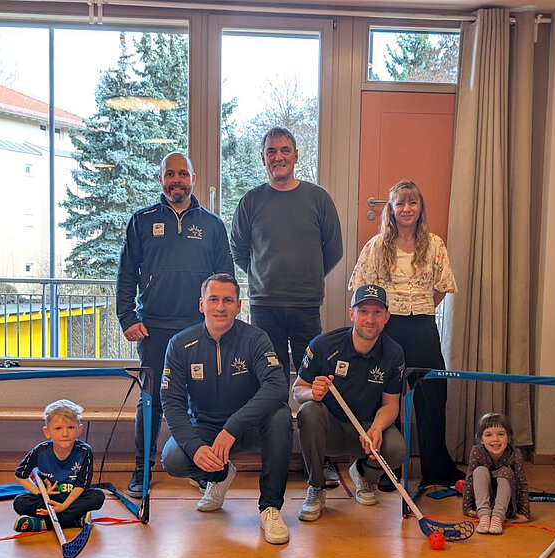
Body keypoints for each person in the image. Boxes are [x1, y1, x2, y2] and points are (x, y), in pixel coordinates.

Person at [230, 126, 343, 486]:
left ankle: (318, 461)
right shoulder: (251, 201)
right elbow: (239, 251)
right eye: (271, 151)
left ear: (296, 156)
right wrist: (265, 276)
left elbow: (334, 249)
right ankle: (274, 457)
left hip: (307, 306)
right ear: (263, 158)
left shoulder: (318, 199)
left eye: (285, 150)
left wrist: (307, 276)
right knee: (271, 383)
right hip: (265, 307)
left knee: (315, 382)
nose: (278, 157)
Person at [117, 152, 233, 498]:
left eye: (183, 174)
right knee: (150, 400)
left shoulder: (212, 224)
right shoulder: (142, 220)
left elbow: (224, 278)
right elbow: (126, 275)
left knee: (199, 402)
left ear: (193, 179)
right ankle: (142, 470)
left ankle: (201, 466)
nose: (176, 180)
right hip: (153, 328)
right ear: (161, 180)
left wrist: (220, 317)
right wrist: (127, 318)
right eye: (170, 174)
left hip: (199, 328)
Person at [160, 273, 293, 545]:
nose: (221, 307)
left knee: (280, 416)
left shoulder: (255, 339)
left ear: (239, 305)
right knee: (173, 458)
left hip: (249, 425)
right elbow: (172, 403)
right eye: (214, 299)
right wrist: (195, 446)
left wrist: (233, 427)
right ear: (201, 304)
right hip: (206, 427)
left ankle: (270, 508)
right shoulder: (180, 344)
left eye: (228, 300)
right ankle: (220, 475)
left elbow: (277, 386)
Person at [349, 179, 462, 491]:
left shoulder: (435, 244)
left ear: (420, 207)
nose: (407, 209)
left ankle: (437, 467)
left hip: (423, 326)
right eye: (400, 203)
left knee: (433, 396)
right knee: (388, 397)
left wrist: (420, 305)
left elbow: (441, 287)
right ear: (391, 209)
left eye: (412, 203)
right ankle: (387, 468)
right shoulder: (376, 246)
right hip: (390, 329)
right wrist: (385, 314)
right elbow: (360, 289)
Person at [293, 284, 406, 522]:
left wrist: (377, 427)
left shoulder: (394, 353)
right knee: (309, 411)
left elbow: (391, 404)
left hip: (364, 430)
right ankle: (316, 487)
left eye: (377, 312)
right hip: (330, 429)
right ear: (351, 313)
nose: (370, 319)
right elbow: (297, 391)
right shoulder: (323, 345)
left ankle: (363, 473)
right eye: (363, 311)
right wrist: (313, 392)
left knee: (396, 449)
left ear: (387, 317)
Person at [12, 400, 106, 531]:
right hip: (48, 499)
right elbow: (20, 474)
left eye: (71, 427)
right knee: (20, 502)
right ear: (47, 432)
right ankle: (74, 519)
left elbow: (81, 485)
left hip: (72, 498)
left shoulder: (85, 451)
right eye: (58, 428)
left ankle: (43, 524)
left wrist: (64, 506)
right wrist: (39, 491)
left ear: (79, 429)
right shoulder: (40, 451)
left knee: (97, 496)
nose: (65, 434)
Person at [462, 412, 531, 535]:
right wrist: (467, 507)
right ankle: (484, 516)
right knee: (479, 470)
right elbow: (469, 479)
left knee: (505, 471)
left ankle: (497, 518)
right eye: (488, 435)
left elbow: (522, 483)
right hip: (482, 503)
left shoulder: (515, 454)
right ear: (481, 440)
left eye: (500, 434)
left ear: (508, 437)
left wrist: (525, 513)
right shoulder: (477, 451)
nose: (495, 439)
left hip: (505, 506)